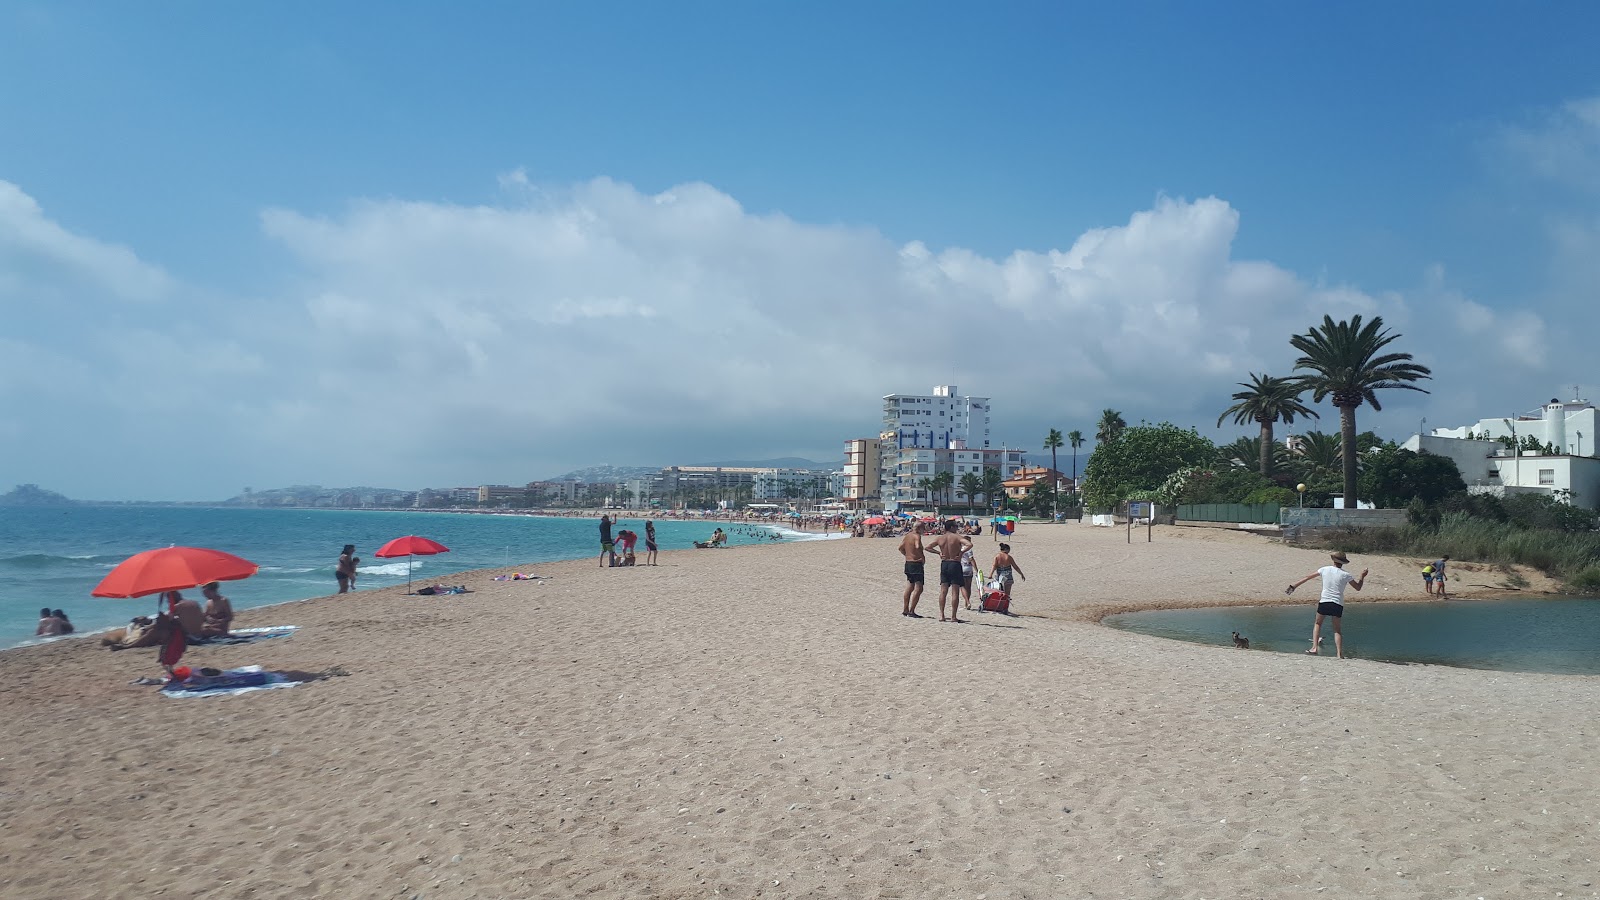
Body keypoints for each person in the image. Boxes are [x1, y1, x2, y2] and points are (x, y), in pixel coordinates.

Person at [1287, 551, 1368, 660]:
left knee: (1318, 623)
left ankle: (1314, 648)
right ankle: (1339, 654)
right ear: (1343, 563)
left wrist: (1294, 586)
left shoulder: (1324, 569)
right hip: (1337, 603)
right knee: (1337, 630)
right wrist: (1362, 576)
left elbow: (1307, 577)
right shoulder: (1346, 575)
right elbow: (1358, 588)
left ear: (1334, 560)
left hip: (1325, 601)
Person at [926, 520, 974, 623]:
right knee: (955, 591)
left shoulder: (940, 538)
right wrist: (961, 552)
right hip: (954, 563)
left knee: (943, 591)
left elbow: (927, 547)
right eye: (956, 526)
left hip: (945, 563)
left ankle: (942, 615)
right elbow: (969, 544)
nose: (957, 528)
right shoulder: (956, 537)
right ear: (951, 527)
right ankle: (953, 616)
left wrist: (938, 553)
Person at [898, 523, 928, 618]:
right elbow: (917, 546)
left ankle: (905, 609)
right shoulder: (916, 536)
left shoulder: (907, 536)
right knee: (919, 588)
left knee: (909, 586)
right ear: (919, 528)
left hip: (908, 562)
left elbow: (900, 548)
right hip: (916, 563)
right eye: (923, 528)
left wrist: (907, 555)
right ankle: (911, 610)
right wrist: (922, 556)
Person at [991, 543, 1026, 607]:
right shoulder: (1009, 557)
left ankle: (999, 606)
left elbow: (994, 566)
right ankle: (1005, 607)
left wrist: (991, 574)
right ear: (1007, 550)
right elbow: (1015, 567)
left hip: (1000, 576)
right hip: (1008, 576)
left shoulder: (997, 556)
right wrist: (1021, 574)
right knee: (1007, 594)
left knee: (1000, 592)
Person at [960, 544, 978, 611]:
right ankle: (966, 603)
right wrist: (976, 569)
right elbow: (971, 559)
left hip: (962, 568)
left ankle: (967, 602)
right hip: (969, 569)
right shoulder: (969, 549)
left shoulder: (960, 548)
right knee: (968, 587)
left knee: (962, 586)